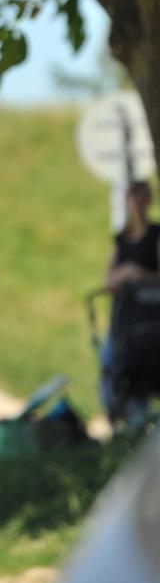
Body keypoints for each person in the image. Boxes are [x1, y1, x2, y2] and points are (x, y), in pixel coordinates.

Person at [98, 180, 160, 425]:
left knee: (144, 364)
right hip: (124, 319)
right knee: (112, 364)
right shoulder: (121, 240)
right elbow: (109, 280)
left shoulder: (155, 235)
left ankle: (140, 419)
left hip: (150, 317)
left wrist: (141, 277)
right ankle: (117, 417)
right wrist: (126, 273)